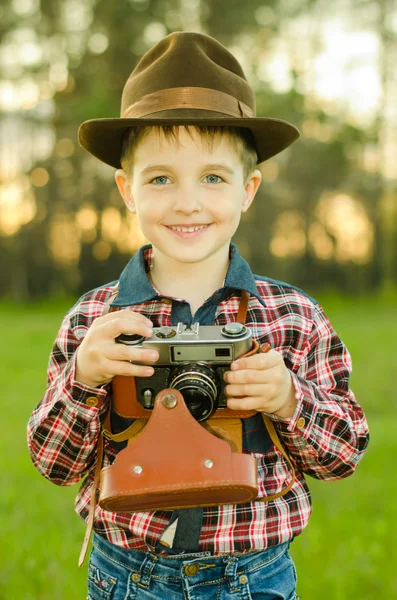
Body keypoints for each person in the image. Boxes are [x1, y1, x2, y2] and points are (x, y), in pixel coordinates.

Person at [27, 31, 369, 600]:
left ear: (248, 190)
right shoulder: (96, 319)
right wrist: (84, 378)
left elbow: (345, 454)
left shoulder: (293, 317)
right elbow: (54, 464)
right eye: (160, 178)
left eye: (213, 177)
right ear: (127, 190)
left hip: (254, 574)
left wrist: (287, 397)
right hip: (127, 573)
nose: (187, 201)